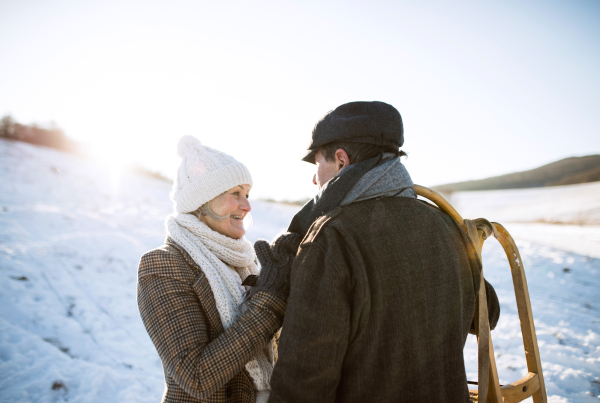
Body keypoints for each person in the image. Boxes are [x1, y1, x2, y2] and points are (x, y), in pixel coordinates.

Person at [267, 101, 500, 402]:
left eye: (318, 165)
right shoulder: (447, 225)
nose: (315, 179)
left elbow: (302, 386)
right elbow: (487, 314)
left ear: (341, 161)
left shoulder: (331, 237)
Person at [137, 135, 298, 403]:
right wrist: (270, 302)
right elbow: (197, 377)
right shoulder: (163, 265)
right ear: (202, 202)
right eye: (235, 194)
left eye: (247, 194)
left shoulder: (242, 259)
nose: (246, 206)